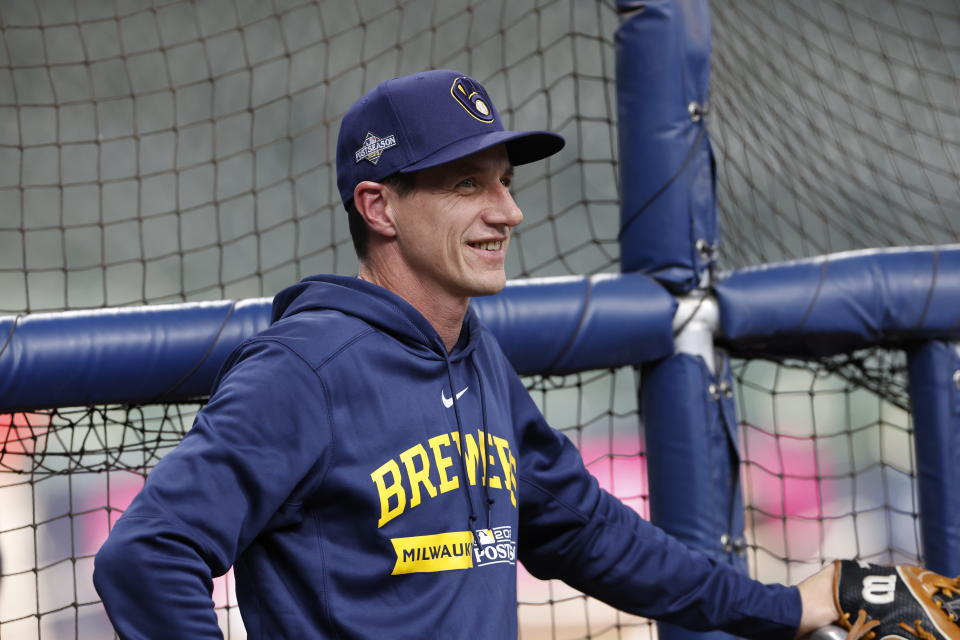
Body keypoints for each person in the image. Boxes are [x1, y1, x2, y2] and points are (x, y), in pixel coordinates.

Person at [93, 69, 839, 639]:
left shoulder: (478, 357)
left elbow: (587, 532)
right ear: (378, 206)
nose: (507, 211)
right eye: (466, 184)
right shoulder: (304, 370)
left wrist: (789, 607)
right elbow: (146, 557)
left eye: (506, 184)